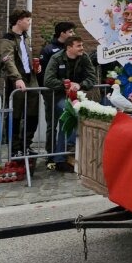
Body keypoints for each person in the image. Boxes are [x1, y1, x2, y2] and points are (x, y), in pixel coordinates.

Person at [43, 35, 97, 172]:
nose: (82, 48)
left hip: (79, 96)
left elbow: (92, 77)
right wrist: (65, 84)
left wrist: (80, 85)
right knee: (71, 114)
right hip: (59, 96)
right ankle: (66, 152)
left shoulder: (84, 57)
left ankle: (63, 157)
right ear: (69, 48)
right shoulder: (56, 58)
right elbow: (48, 80)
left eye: (82, 45)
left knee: (67, 122)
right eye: (78, 46)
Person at [0, 9, 40, 161]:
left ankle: (26, 144)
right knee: (15, 115)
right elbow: (8, 61)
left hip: (31, 79)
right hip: (17, 81)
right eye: (27, 20)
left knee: (32, 114)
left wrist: (36, 68)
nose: (29, 22)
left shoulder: (26, 38)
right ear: (19, 20)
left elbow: (28, 58)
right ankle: (14, 148)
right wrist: (17, 78)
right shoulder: (7, 39)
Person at [38, 21, 76, 87]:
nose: (73, 34)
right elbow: (42, 72)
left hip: (72, 88)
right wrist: (44, 89)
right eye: (70, 32)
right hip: (54, 90)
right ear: (62, 33)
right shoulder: (47, 49)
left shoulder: (73, 48)